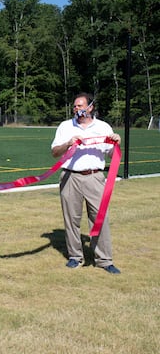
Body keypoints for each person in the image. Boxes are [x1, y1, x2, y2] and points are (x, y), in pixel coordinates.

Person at [51, 92, 121, 274]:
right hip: (70, 177)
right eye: (75, 106)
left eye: (80, 106)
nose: (77, 109)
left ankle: (104, 260)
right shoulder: (65, 126)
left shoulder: (103, 127)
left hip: (94, 177)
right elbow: (55, 152)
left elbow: (112, 155)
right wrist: (68, 143)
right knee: (71, 219)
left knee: (100, 217)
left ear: (91, 107)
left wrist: (116, 144)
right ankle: (75, 257)